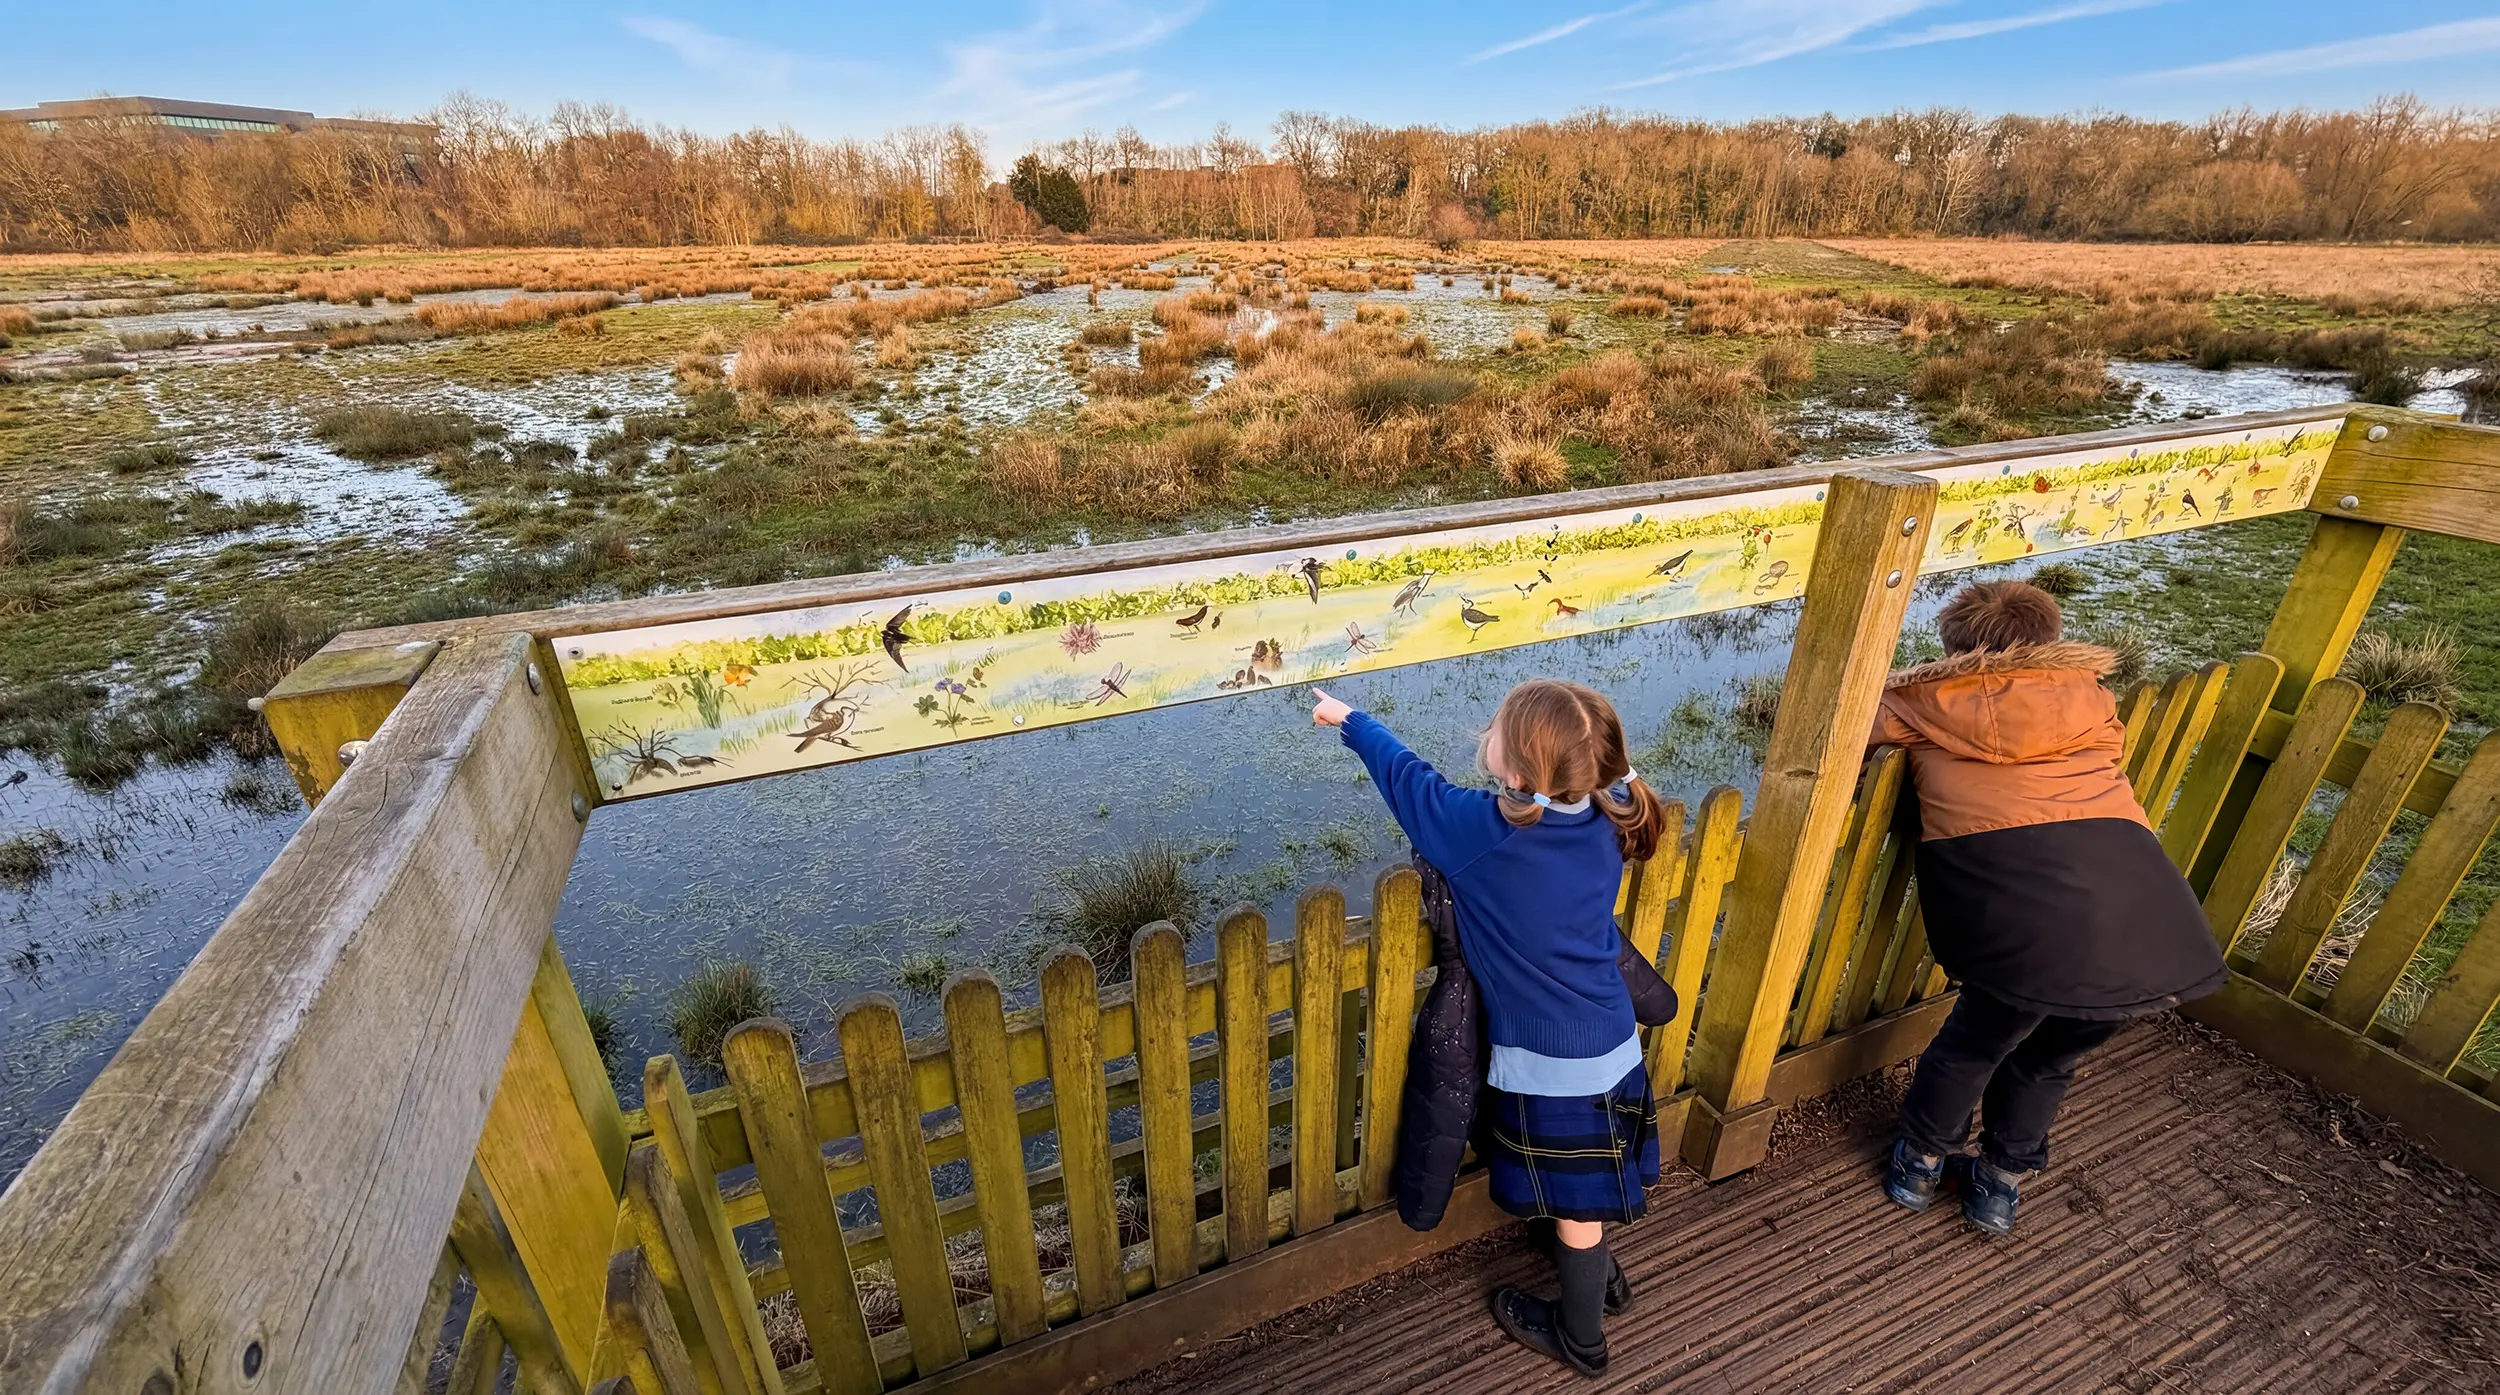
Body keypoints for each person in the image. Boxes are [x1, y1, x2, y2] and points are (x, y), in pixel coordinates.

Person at [1313, 677, 1668, 1377]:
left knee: (1578, 1208)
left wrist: (1349, 719)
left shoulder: (1488, 830)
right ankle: (1597, 1276)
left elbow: (1408, 780)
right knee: (1585, 1189)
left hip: (1553, 1070)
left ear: (1519, 769)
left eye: (1500, 729)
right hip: (1615, 1046)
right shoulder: (1609, 815)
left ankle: (1581, 1337)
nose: (1490, 733)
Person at [1872, 580, 2225, 1237]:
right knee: (2049, 1057)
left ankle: (1919, 1165)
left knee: (1975, 1044)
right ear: (2050, 640)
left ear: (1954, 647)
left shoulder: (1917, 704)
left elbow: (1853, 737)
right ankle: (1997, 1187)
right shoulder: (2090, 700)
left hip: (2029, 915)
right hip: (2144, 920)